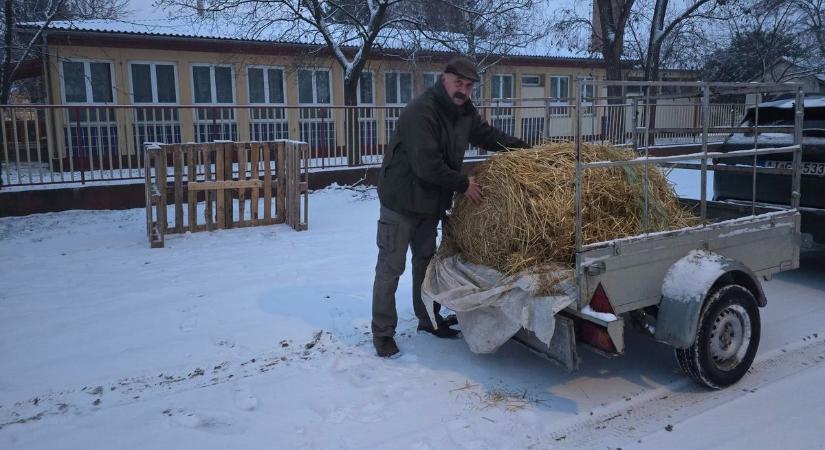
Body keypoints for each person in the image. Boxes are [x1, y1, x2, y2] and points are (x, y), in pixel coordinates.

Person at [371, 56, 530, 357]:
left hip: (429, 203)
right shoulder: (421, 111)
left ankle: (428, 320)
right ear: (444, 78)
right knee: (391, 268)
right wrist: (463, 184)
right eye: (459, 83)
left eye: (469, 86)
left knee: (425, 265)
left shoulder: (463, 111)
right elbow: (426, 164)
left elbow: (486, 136)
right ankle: (382, 333)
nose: (463, 90)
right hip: (400, 202)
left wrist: (524, 149)